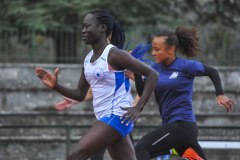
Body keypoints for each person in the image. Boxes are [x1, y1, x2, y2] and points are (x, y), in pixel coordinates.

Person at [35, 9, 158, 160]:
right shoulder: (88, 60)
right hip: (105, 117)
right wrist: (56, 86)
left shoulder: (115, 54)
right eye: (82, 27)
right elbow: (79, 94)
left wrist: (138, 108)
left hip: (117, 115)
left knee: (76, 156)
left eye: (87, 26)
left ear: (102, 28)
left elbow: (153, 74)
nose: (83, 31)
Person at [133, 27, 236, 160]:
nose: (153, 53)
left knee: (141, 148)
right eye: (153, 49)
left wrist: (220, 94)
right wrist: (135, 70)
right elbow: (142, 91)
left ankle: (174, 149)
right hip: (172, 127)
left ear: (170, 50)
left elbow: (212, 71)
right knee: (144, 152)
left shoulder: (185, 66)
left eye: (157, 49)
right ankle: (175, 150)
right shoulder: (153, 69)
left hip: (182, 125)